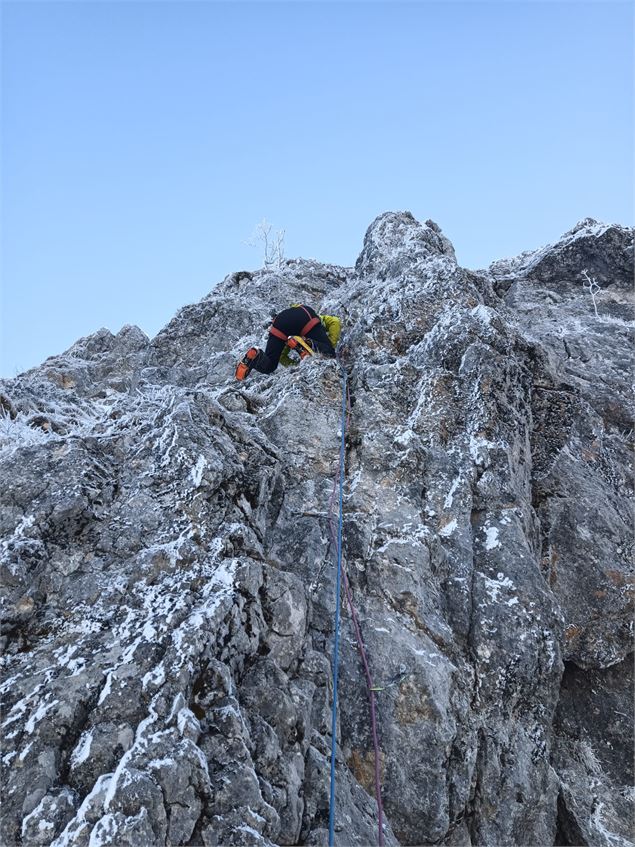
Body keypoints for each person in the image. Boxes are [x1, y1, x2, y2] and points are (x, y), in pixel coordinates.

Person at [236, 304, 341, 380]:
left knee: (270, 365)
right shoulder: (322, 319)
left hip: (279, 324)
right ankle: (307, 342)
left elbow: (282, 356)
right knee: (329, 353)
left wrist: (296, 364)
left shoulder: (291, 339)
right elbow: (335, 321)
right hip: (305, 316)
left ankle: (256, 356)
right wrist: (329, 346)